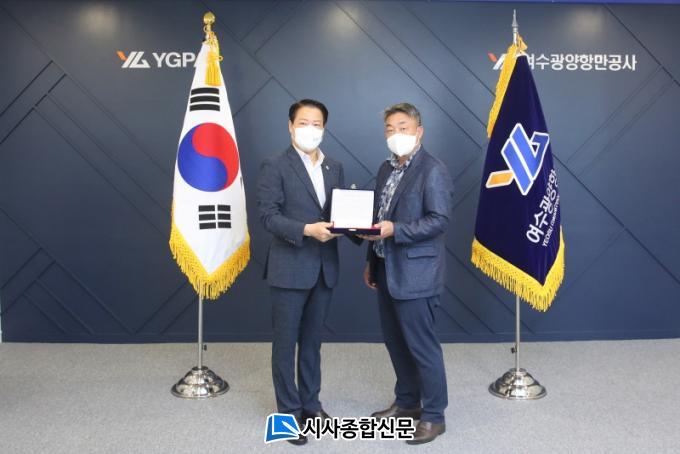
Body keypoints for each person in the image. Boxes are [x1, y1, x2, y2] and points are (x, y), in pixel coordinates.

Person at [359, 102, 454, 445]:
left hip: (417, 273)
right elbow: (378, 218)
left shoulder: (433, 169)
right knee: (395, 341)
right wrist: (371, 260)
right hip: (386, 266)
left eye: (403, 127)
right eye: (390, 128)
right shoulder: (386, 168)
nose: (395, 134)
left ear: (419, 131)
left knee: (421, 346)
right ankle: (407, 403)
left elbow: (439, 220)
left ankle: (434, 416)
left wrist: (395, 230)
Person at [257, 99, 348, 446]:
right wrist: (307, 230)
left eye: (317, 124)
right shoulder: (275, 165)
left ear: (324, 128)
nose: (310, 129)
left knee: (312, 343)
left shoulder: (335, 167)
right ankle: (288, 415)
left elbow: (340, 214)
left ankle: (311, 405)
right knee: (285, 345)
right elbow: (268, 216)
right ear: (290, 126)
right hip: (289, 267)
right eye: (303, 123)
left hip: (324, 268)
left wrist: (357, 228)